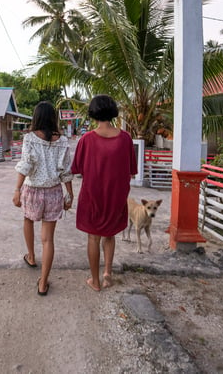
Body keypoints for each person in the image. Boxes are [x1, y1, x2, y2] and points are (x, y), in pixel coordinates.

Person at [71, 95, 137, 291]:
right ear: (113, 111)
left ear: (93, 113)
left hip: (93, 196)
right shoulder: (125, 138)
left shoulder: (86, 139)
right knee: (110, 234)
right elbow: (132, 171)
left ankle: (95, 280)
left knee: (93, 237)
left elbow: (78, 169)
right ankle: (107, 273)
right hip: (116, 196)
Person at [13, 101, 74, 296]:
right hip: (54, 192)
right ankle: (43, 283)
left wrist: (17, 189)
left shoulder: (30, 138)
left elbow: (26, 165)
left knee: (28, 220)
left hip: (32, 191)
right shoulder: (63, 141)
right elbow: (66, 171)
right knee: (48, 240)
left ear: (36, 117)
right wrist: (70, 194)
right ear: (54, 118)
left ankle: (31, 256)